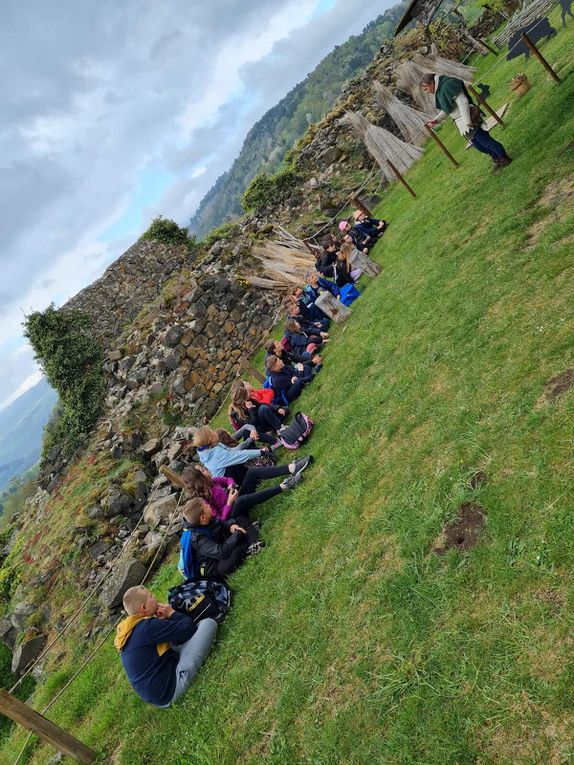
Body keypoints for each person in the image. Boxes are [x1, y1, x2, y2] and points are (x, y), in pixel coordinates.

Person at [115, 585, 217, 707]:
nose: (155, 597)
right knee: (208, 624)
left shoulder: (130, 629)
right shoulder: (148, 627)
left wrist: (165, 622)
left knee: (176, 639)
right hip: (172, 689)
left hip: (159, 695)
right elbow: (189, 629)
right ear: (144, 607)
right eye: (151, 596)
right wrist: (172, 613)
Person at [420, 72, 512, 170]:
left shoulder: (447, 84)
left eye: (426, 88)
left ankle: (504, 158)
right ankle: (497, 158)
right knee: (479, 146)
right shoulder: (440, 89)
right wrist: (436, 120)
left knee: (486, 142)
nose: (426, 92)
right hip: (462, 122)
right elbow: (447, 109)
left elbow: (463, 101)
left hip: (469, 117)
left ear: (431, 82)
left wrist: (468, 121)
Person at [181, 459, 307, 521]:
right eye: (202, 470)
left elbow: (227, 479)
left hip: (235, 500)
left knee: (251, 473)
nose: (206, 469)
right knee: (240, 501)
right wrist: (229, 503)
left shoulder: (211, 482)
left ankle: (291, 468)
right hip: (233, 516)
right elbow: (220, 519)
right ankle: (285, 486)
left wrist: (231, 486)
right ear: (199, 479)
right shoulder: (203, 500)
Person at [180, 498, 262, 579]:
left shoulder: (204, 520)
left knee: (240, 520)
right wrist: (237, 534)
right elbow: (221, 552)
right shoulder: (197, 538)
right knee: (238, 548)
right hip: (214, 566)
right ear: (202, 517)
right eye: (206, 507)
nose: (208, 505)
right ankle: (250, 537)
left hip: (221, 544)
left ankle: (252, 543)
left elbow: (222, 524)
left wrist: (231, 525)